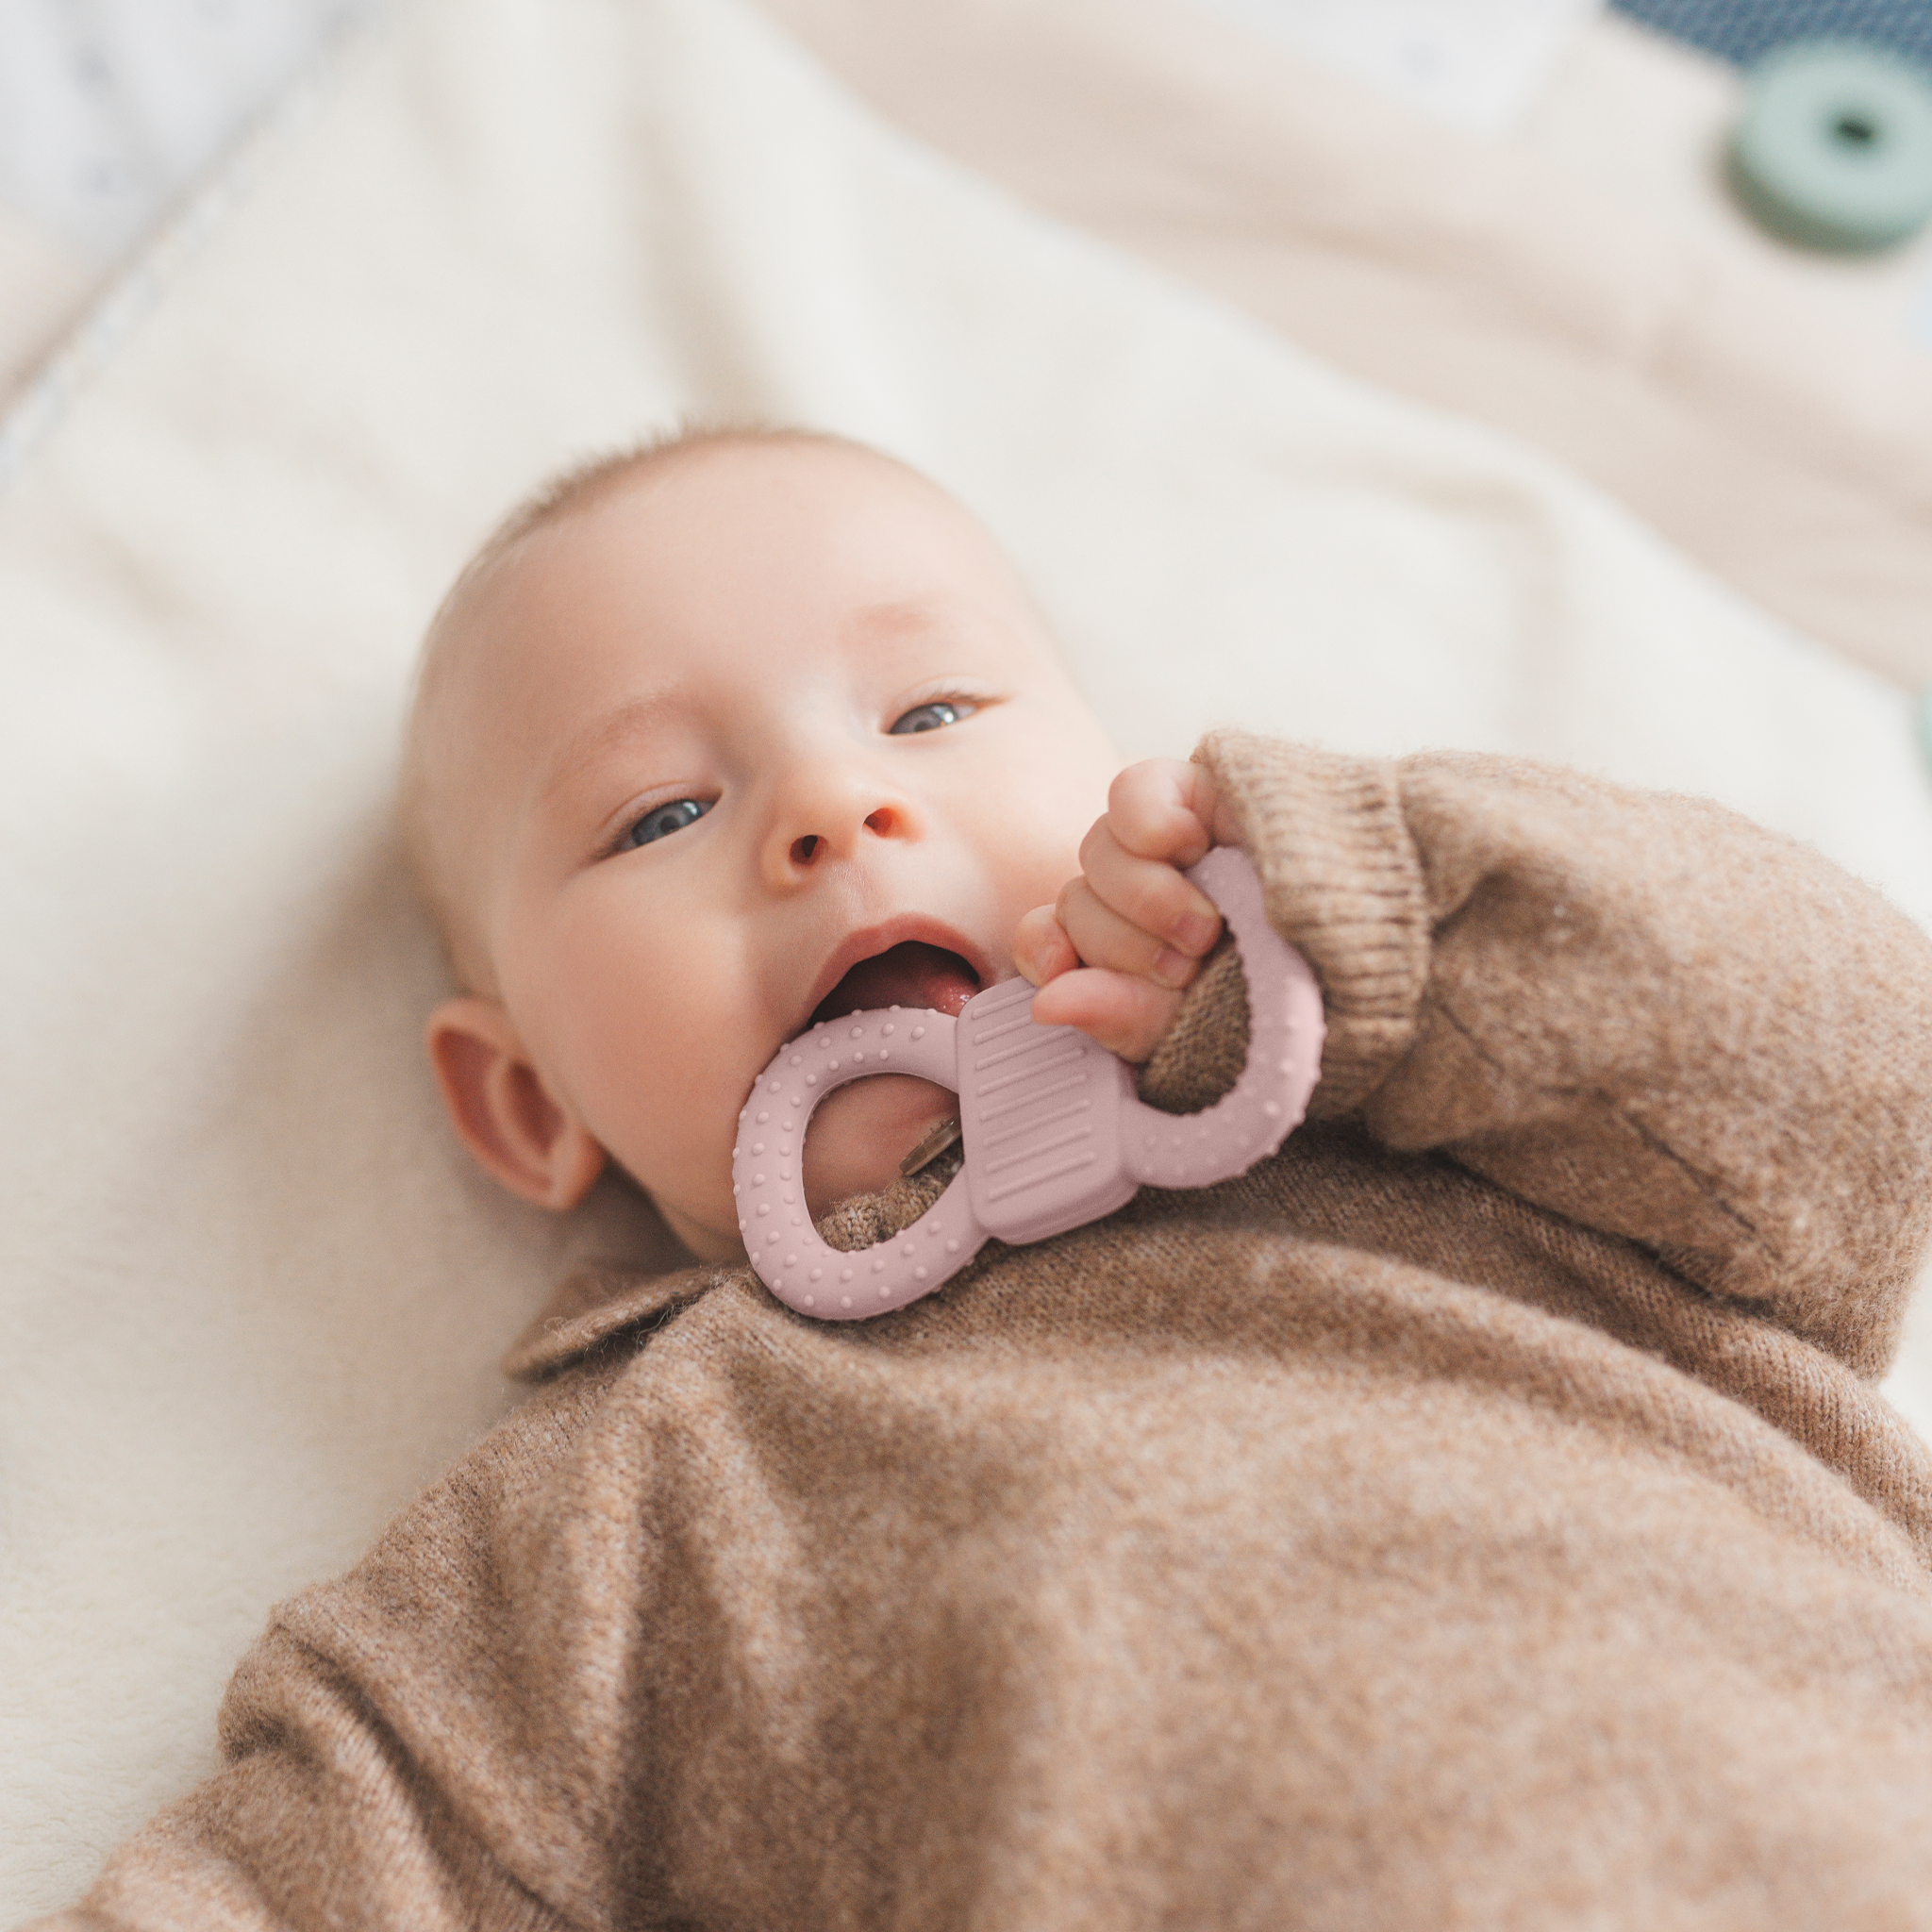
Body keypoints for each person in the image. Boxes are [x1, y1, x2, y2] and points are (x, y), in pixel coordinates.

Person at [33, 426, 1932, 1930]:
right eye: (659, 813)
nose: (829, 813)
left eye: (929, 714)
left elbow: (1858, 1093)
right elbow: (339, 1859)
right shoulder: (626, 1510)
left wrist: (1392, 924)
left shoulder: (1400, 1089)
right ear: (526, 1102)